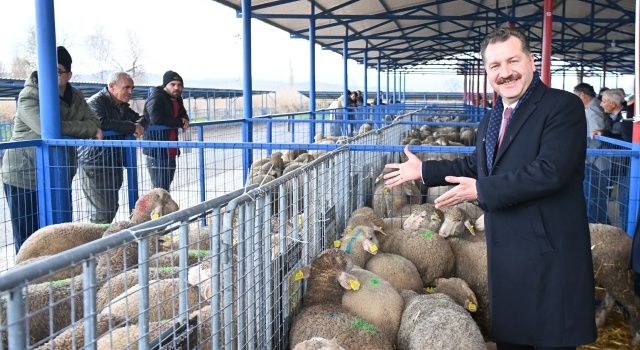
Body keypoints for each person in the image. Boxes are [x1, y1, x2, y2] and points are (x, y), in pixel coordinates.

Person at [384, 28, 596, 349]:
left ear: (531, 61)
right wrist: (425, 169)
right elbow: (476, 165)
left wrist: (482, 191)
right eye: (495, 65)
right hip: (506, 250)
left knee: (551, 339)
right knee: (512, 339)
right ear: (487, 71)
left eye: (513, 60)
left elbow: (550, 171)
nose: (505, 72)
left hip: (548, 252)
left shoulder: (561, 107)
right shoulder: (492, 118)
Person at [1, 46, 102, 252]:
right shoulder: (29, 95)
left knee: (59, 235)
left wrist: (69, 128)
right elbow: (47, 129)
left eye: (57, 70)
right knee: (29, 239)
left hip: (58, 174)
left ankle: (56, 280)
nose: (49, 74)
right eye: (45, 68)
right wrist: (81, 129)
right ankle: (26, 282)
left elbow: (93, 122)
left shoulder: (76, 96)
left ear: (69, 74)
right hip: (24, 176)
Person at [78, 71, 147, 224]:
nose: (130, 92)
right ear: (111, 87)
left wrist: (140, 124)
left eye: (132, 88)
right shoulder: (96, 102)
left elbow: (140, 118)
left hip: (113, 162)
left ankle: (101, 244)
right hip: (95, 163)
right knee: (103, 212)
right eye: (127, 88)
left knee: (110, 207)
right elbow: (101, 122)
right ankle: (95, 246)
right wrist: (131, 127)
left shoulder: (120, 106)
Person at [143, 70, 189, 191]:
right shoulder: (156, 97)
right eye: (173, 84)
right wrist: (179, 122)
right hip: (157, 151)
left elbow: (183, 113)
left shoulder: (177, 99)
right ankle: (158, 210)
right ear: (165, 85)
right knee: (159, 190)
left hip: (170, 150)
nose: (176, 88)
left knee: (165, 188)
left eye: (179, 85)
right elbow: (156, 119)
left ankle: (164, 210)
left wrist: (185, 119)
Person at [574, 82, 609, 224]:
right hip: (595, 160)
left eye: (576, 96)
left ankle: (600, 225)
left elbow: (597, 136)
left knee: (595, 196)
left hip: (596, 161)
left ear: (582, 95)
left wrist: (589, 156)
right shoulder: (592, 107)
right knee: (595, 196)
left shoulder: (592, 109)